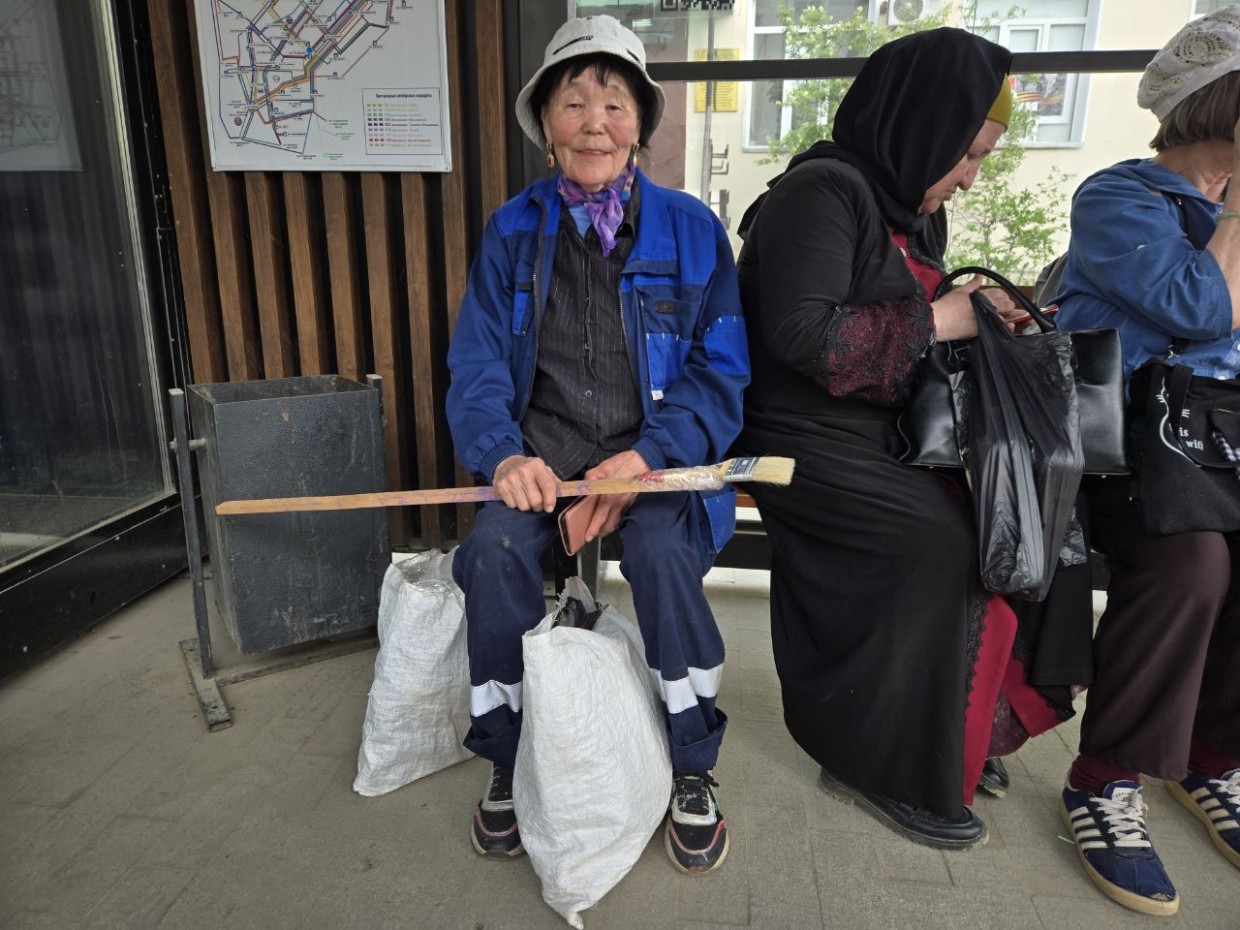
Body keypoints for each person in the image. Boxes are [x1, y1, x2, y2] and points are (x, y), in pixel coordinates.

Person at [732, 28, 1091, 850]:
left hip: (884, 425)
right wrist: (943, 316)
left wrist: (970, 308)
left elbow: (906, 320)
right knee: (943, 541)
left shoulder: (911, 211)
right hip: (796, 432)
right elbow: (804, 337)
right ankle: (880, 757)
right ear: (919, 126)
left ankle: (961, 725)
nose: (967, 178)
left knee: (1034, 516)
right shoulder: (820, 193)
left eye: (980, 161)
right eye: (964, 155)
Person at [445, 15, 749, 875]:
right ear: (544, 121)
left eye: (613, 103)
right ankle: (505, 758)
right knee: (495, 552)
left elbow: (720, 372)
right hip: (541, 450)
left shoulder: (692, 231)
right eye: (572, 100)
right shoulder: (512, 230)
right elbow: (474, 364)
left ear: (640, 124)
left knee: (658, 550)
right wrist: (504, 454)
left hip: (654, 455)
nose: (593, 121)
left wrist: (651, 457)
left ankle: (693, 762)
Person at [1052, 7, 1240, 916]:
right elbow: (1199, 307)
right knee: (1190, 562)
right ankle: (1105, 776)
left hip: (1223, 451)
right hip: (1125, 455)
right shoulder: (1121, 196)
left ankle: (1212, 757)